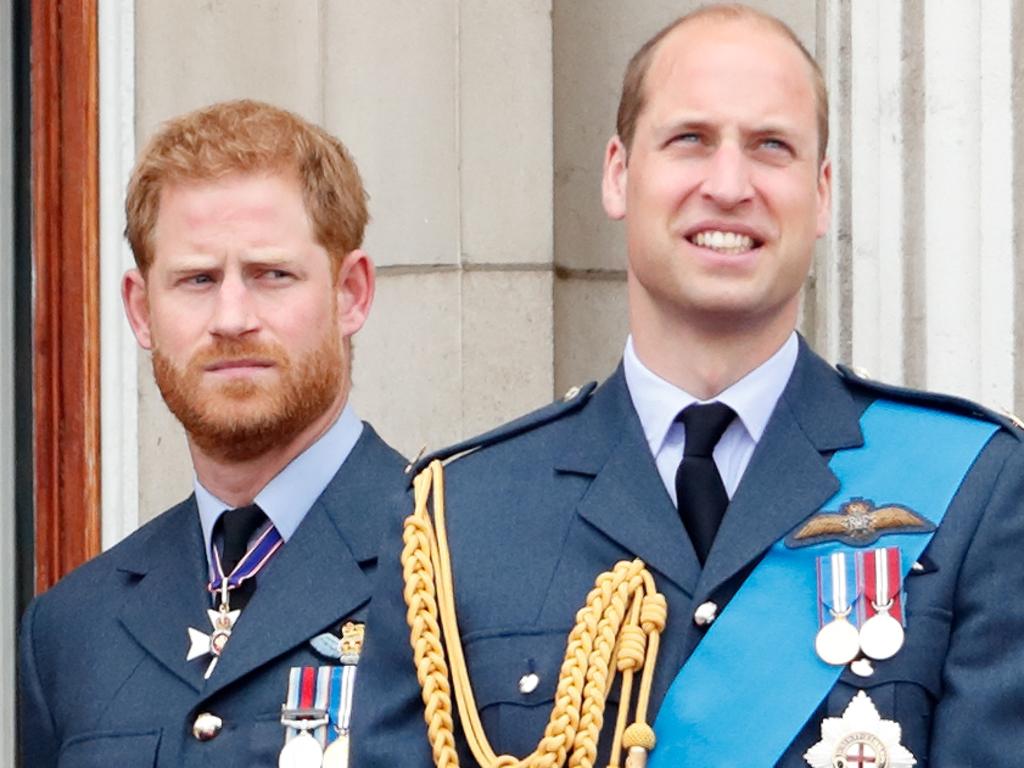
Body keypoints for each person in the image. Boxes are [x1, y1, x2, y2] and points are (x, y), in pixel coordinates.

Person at [350, 5, 1024, 767]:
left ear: (823, 191)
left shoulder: (976, 491)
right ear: (618, 173)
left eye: (771, 146)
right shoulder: (460, 518)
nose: (729, 185)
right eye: (690, 140)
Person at [19, 99, 407, 767]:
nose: (232, 317)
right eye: (197, 279)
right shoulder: (70, 631)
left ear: (352, 293)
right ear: (141, 311)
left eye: (271, 275)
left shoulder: (458, 568)